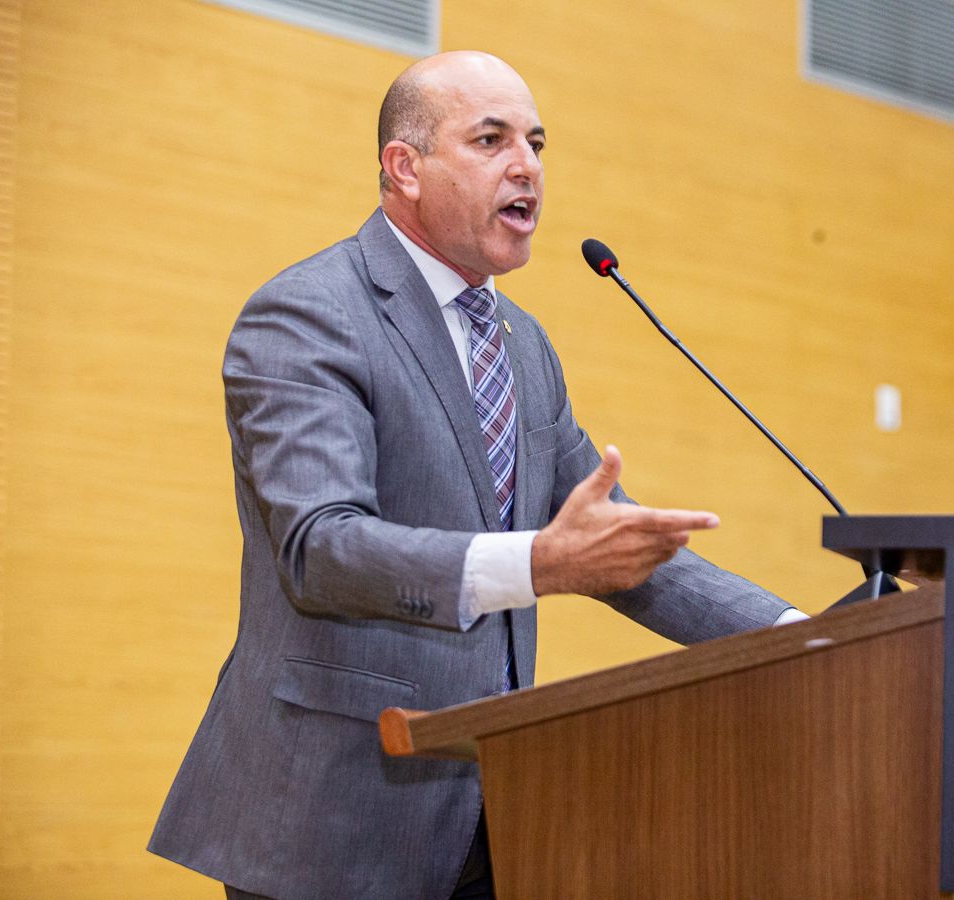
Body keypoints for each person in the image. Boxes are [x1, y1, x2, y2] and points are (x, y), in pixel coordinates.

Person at [148, 51, 802, 899]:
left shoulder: (522, 345)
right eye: (490, 139)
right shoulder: (310, 314)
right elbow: (321, 549)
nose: (526, 165)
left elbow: (615, 549)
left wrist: (802, 635)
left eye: (535, 142)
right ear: (404, 168)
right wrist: (539, 563)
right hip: (333, 820)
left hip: (496, 815)